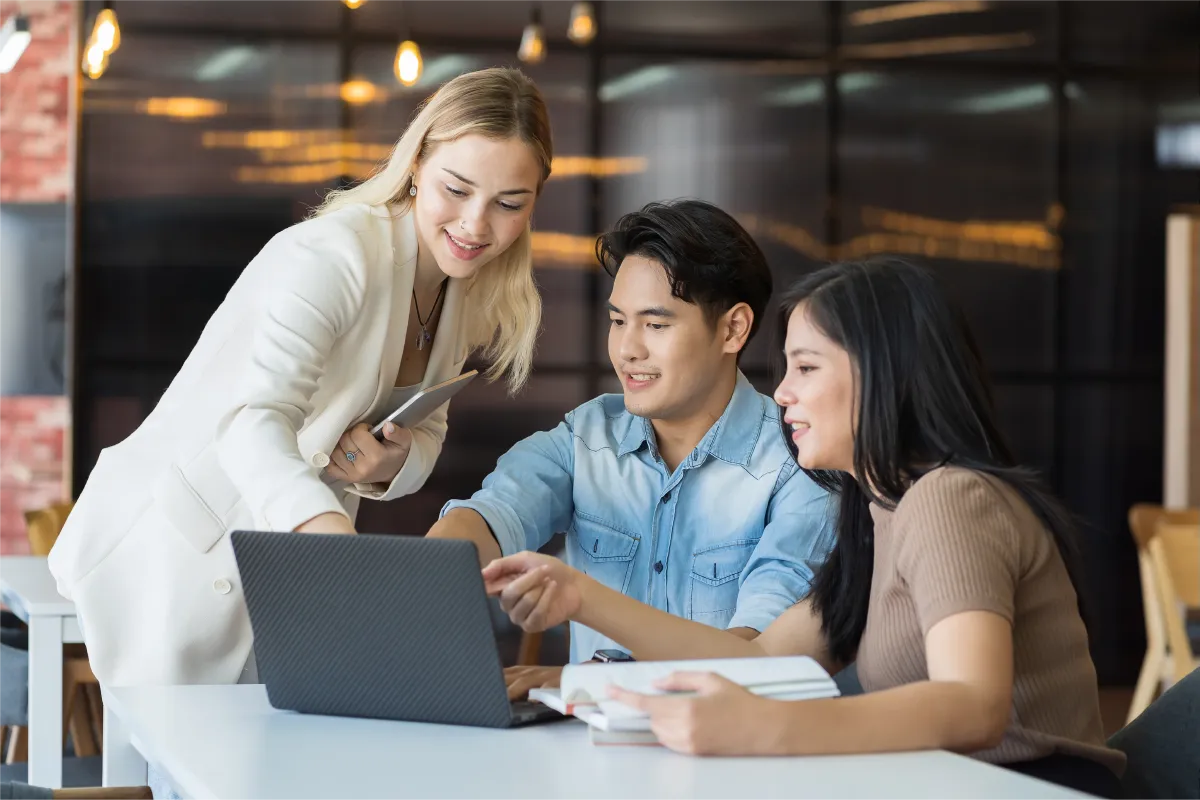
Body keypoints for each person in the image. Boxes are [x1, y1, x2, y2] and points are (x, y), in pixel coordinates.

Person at [483, 257, 1125, 799]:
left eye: (807, 368)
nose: (782, 393)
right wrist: (582, 604)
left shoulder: (951, 498)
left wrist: (761, 729)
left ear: (884, 373)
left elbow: (972, 704)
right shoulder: (875, 513)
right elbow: (758, 659)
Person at [48, 67, 553, 689]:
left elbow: (428, 429)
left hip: (283, 571)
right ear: (418, 163)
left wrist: (386, 466)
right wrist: (330, 542)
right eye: (457, 188)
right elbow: (252, 421)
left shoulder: (462, 289)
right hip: (178, 554)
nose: (477, 224)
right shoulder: (334, 254)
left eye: (509, 204)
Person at [426, 199, 835, 699]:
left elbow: (758, 661)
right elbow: (493, 512)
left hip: (727, 758)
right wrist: (439, 564)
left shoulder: (800, 465)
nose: (627, 350)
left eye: (656, 325)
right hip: (588, 755)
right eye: (618, 321)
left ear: (733, 329)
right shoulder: (588, 435)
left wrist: (591, 678)